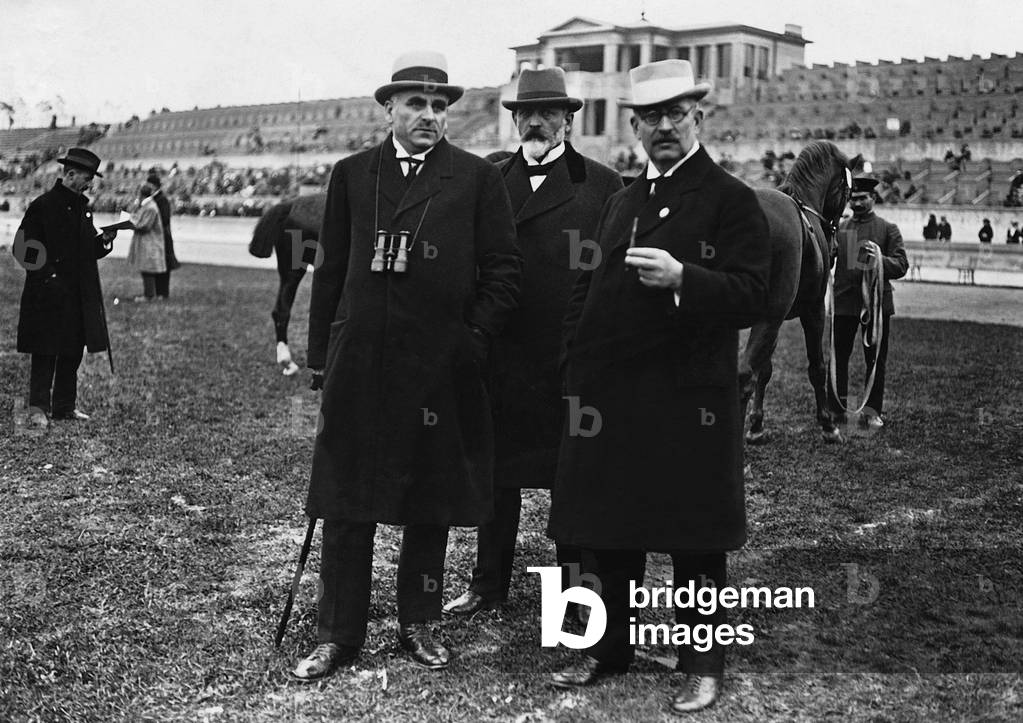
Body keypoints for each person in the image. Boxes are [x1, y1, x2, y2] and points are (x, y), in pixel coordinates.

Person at [546, 59, 770, 714]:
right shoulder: (621, 200)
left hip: (687, 399)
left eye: (677, 114)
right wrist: (571, 366)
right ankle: (606, 647)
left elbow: (753, 295)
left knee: (692, 534)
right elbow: (584, 289)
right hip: (612, 398)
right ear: (636, 126)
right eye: (652, 117)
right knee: (608, 527)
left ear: (698, 116)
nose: (664, 127)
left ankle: (702, 663)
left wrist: (684, 280)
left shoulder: (732, 199)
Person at [291, 50, 521, 680]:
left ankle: (418, 622)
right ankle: (338, 633)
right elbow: (330, 272)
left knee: (429, 499)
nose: (428, 116)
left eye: (439, 106)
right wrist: (324, 359)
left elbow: (504, 273)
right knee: (346, 500)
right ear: (388, 107)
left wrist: (468, 342)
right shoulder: (352, 175)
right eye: (415, 103)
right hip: (360, 367)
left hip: (437, 371)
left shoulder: (475, 179)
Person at [443, 67, 623, 617]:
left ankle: (576, 596)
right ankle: (487, 583)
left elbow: (612, 278)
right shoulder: (490, 178)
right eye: (526, 112)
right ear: (515, 118)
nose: (537, 121)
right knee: (497, 478)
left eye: (549, 112)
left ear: (569, 119)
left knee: (573, 481)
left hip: (567, 360)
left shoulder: (603, 185)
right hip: (501, 357)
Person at [12, 148, 117, 427]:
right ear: (69, 175)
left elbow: (85, 251)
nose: (90, 184)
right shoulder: (43, 206)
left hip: (76, 294)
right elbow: (22, 248)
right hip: (48, 292)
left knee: (72, 349)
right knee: (45, 349)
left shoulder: (83, 209)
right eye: (86, 178)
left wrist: (104, 241)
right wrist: (49, 276)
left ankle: (64, 406)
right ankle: (37, 408)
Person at [828, 177, 908, 428]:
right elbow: (829, 260)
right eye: (853, 198)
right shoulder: (840, 229)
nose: (857, 203)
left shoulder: (887, 229)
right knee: (838, 357)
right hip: (844, 304)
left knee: (875, 360)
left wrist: (881, 260)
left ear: (873, 198)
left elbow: (902, 265)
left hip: (876, 305)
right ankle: (836, 409)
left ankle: (871, 412)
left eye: (863, 198)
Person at [127, 184, 166, 301]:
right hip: (146, 241)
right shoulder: (146, 205)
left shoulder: (150, 207)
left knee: (148, 269)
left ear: (141, 194)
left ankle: (149, 295)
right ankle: (149, 294)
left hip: (150, 242)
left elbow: (145, 225)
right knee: (145, 269)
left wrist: (130, 224)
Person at [146, 172, 181, 298]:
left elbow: (164, 218)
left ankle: (163, 293)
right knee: (157, 265)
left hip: (162, 238)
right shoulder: (154, 200)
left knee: (164, 265)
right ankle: (158, 292)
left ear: (154, 186)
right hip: (156, 237)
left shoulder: (162, 200)